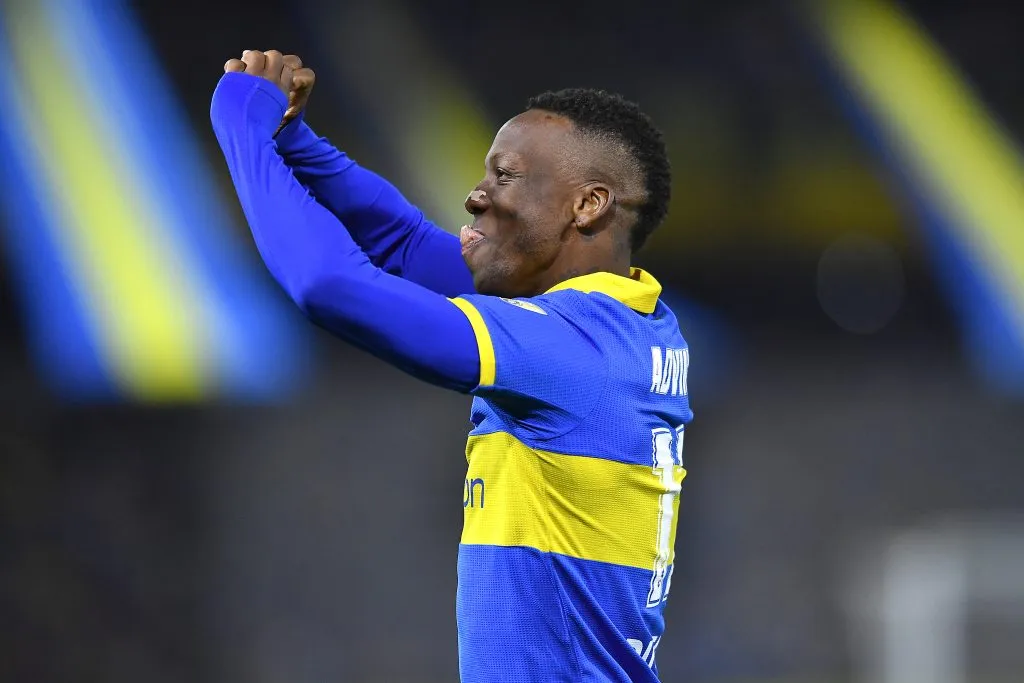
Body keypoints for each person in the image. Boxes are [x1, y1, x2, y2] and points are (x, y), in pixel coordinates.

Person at [211, 49, 693, 683]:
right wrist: (295, 141)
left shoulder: (570, 349)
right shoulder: (633, 322)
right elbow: (401, 244)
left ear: (588, 204)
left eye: (507, 175)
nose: (476, 196)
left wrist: (240, 122)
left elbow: (329, 285)